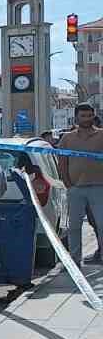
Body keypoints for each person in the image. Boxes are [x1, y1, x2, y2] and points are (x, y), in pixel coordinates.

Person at [57, 103, 103, 264]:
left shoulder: (101, 135)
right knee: (74, 227)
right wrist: (68, 184)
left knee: (101, 224)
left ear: (93, 116)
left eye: (89, 115)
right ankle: (75, 261)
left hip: (99, 187)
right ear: (76, 117)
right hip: (76, 188)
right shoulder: (67, 138)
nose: (87, 119)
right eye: (83, 116)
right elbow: (62, 162)